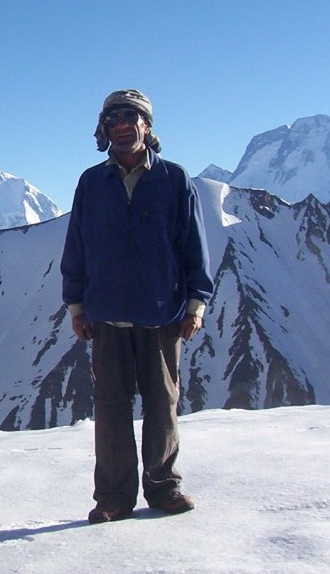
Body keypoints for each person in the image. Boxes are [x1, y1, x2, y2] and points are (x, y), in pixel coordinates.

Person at [61, 89, 214, 524]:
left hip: (161, 312)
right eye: (114, 119)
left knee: (162, 403)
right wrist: (76, 306)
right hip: (106, 313)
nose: (123, 125)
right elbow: (78, 248)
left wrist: (196, 304)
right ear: (104, 129)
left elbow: (193, 247)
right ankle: (113, 497)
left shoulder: (175, 180)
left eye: (131, 117)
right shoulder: (91, 183)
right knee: (111, 407)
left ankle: (164, 488)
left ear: (147, 125)